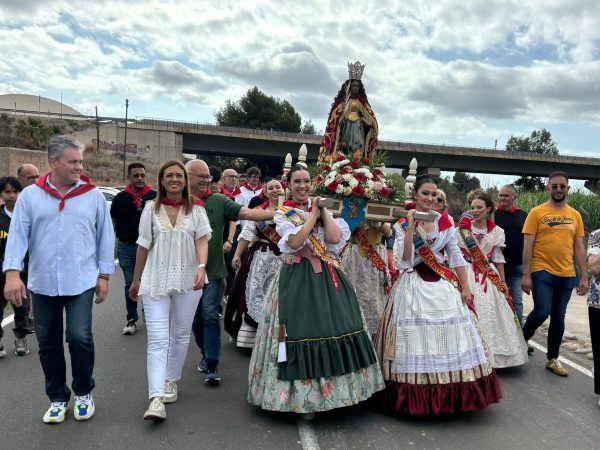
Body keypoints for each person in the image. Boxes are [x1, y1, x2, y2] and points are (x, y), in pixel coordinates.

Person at [248, 165, 384, 418]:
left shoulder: (323, 208)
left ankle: (338, 393)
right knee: (299, 331)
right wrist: (312, 215)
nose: (302, 186)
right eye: (297, 182)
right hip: (297, 278)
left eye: (306, 181)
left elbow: (333, 238)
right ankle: (302, 396)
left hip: (328, 275)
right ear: (289, 185)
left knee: (337, 325)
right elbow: (295, 242)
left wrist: (322, 211)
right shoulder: (283, 212)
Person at [3, 135, 115, 424]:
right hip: (42, 283)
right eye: (73, 161)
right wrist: (13, 273)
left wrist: (104, 275)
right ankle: (57, 397)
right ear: (53, 162)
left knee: (79, 337)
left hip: (81, 282)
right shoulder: (30, 196)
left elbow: (105, 236)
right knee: (48, 342)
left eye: (81, 161)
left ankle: (83, 392)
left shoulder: (92, 196)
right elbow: (17, 237)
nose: (80, 167)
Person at [374, 175, 502, 415]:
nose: (431, 198)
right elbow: (404, 260)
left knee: (450, 333)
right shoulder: (403, 222)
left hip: (442, 284)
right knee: (416, 338)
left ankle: (450, 394)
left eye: (434, 194)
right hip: (413, 284)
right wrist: (411, 229)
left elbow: (454, 255)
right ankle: (415, 396)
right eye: (425, 194)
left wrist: (465, 287)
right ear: (415, 195)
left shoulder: (446, 220)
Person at [128, 160, 211, 421]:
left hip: (189, 279)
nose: (174, 179)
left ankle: (171, 380)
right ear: (162, 181)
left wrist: (201, 266)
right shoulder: (151, 209)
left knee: (180, 334)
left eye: (179, 175)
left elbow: (202, 240)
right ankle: (155, 398)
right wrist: (136, 279)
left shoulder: (196, 209)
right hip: (156, 278)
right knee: (157, 338)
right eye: (169, 175)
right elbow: (143, 245)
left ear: (185, 181)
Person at [186, 159, 275, 384]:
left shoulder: (219, 201)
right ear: (188, 177)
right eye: (201, 176)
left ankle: (212, 364)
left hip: (213, 271)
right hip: (184, 273)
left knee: (208, 314)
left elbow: (246, 213)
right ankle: (206, 354)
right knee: (195, 321)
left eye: (208, 176)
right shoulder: (179, 203)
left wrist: (275, 212)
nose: (207, 180)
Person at [521, 171, 588, 376]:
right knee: (542, 311)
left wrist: (584, 276)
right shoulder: (537, 212)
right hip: (542, 270)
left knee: (559, 317)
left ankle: (553, 358)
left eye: (562, 186)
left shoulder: (574, 215)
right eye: (554, 186)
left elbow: (578, 247)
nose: (558, 190)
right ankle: (521, 339)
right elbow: (528, 245)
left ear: (568, 189)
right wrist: (526, 274)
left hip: (567, 273)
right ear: (548, 188)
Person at [456, 193, 528, 368]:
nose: (475, 211)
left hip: (488, 274)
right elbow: (456, 256)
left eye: (479, 207)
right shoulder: (462, 231)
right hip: (467, 272)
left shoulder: (497, 231)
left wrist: (502, 282)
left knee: (493, 311)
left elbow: (497, 258)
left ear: (488, 209)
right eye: (472, 207)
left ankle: (493, 357)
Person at [224, 179, 285, 348]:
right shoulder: (258, 212)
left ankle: (277, 339)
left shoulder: (291, 210)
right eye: (270, 188)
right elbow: (247, 234)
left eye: (277, 187)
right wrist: (237, 255)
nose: (274, 190)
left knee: (279, 297)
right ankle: (250, 339)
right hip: (260, 258)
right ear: (264, 192)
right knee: (254, 294)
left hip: (284, 261)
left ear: (283, 190)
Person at [110, 162, 156, 336]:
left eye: (142, 175)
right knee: (130, 283)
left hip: (149, 249)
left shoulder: (154, 197)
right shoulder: (120, 198)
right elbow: (113, 224)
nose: (140, 178)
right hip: (126, 247)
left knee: (149, 282)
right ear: (128, 178)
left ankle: (150, 314)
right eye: (136, 175)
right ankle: (131, 318)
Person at [340, 221, 394, 341]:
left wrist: (378, 222)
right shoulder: (352, 206)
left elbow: (388, 232)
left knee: (375, 294)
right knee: (353, 291)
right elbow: (346, 232)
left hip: (375, 255)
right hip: (354, 255)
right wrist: (356, 220)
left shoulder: (380, 210)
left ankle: (375, 333)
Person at [317, 61, 378, 166]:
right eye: (353, 85)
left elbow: (370, 118)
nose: (355, 88)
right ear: (349, 86)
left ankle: (357, 164)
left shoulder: (362, 102)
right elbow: (335, 118)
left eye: (357, 86)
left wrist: (368, 124)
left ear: (359, 88)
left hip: (358, 127)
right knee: (345, 147)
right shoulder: (342, 102)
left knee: (358, 145)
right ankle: (344, 164)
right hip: (346, 127)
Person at [0, 177, 33, 357]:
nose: (11, 196)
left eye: (15, 191)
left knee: (21, 308)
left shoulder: (28, 217)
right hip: (0, 275)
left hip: (23, 274)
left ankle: (21, 338)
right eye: (7, 191)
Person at [494, 184, 528, 325]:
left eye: (506, 195)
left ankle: (519, 338)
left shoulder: (523, 215)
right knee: (495, 302)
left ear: (514, 197)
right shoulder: (492, 213)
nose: (502, 198)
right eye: (501, 195)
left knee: (517, 303)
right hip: (495, 266)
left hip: (516, 267)